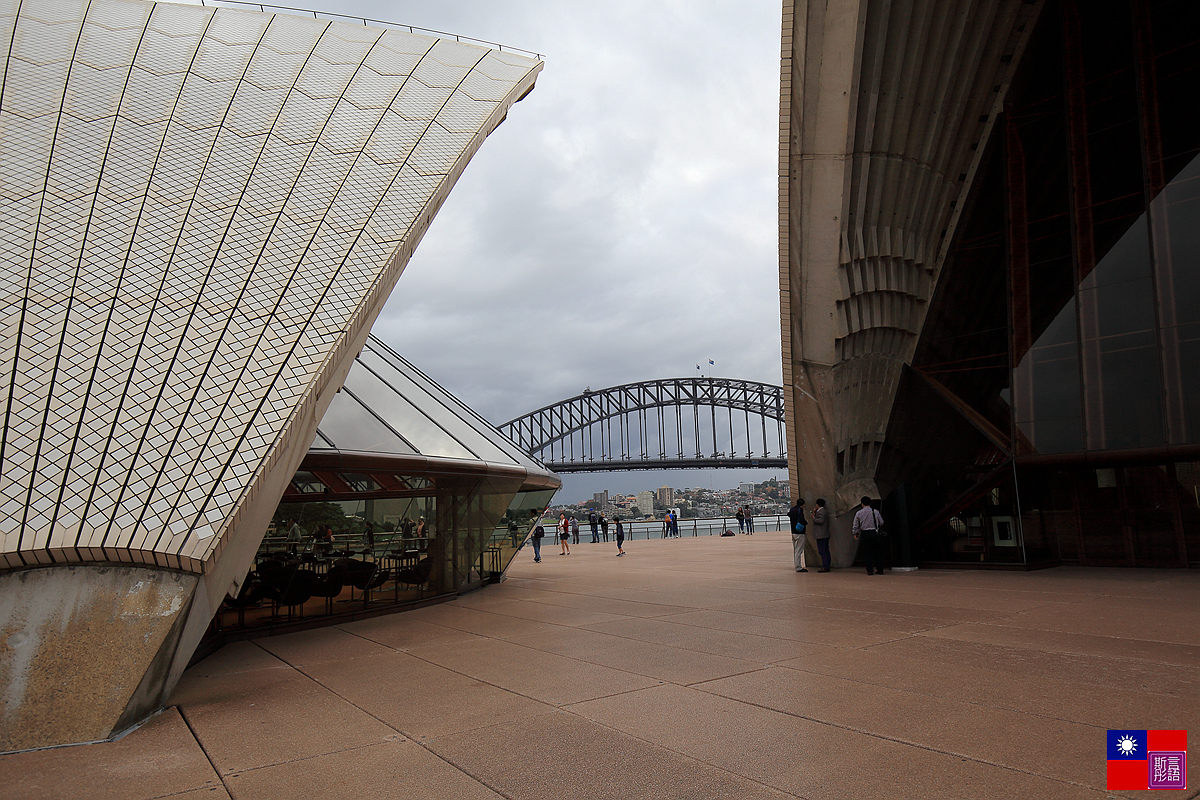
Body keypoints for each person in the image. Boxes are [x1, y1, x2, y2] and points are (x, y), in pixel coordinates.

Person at [852, 496, 885, 575]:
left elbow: (856, 525)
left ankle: (869, 570)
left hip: (865, 533)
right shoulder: (875, 512)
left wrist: (855, 533)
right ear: (870, 503)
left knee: (867, 552)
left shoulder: (859, 513)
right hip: (874, 532)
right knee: (877, 551)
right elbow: (881, 522)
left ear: (862, 504)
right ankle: (880, 569)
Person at [787, 498, 808, 572]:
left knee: (796, 549)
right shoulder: (800, 510)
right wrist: (806, 522)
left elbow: (788, 514)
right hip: (799, 532)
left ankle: (796, 565)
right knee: (799, 550)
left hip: (793, 531)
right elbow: (802, 520)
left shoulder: (792, 509)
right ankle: (798, 567)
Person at [812, 498, 831, 572]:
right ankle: (826, 565)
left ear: (817, 504)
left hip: (821, 534)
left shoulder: (821, 511)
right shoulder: (823, 511)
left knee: (822, 551)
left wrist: (814, 517)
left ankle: (825, 566)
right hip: (824, 534)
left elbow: (820, 521)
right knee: (825, 550)